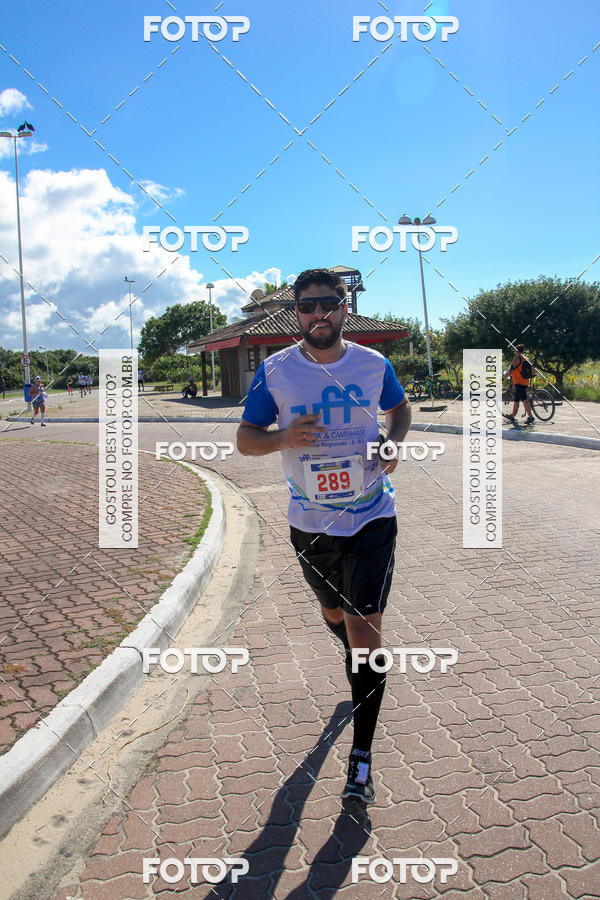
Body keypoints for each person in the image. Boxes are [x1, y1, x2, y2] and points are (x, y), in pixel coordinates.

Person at [237, 268, 411, 804]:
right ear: (297, 313)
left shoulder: (372, 363)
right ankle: (353, 651)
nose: (320, 314)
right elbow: (246, 441)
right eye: (309, 306)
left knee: (363, 633)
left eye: (330, 304)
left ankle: (360, 757)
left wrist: (392, 442)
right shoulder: (275, 372)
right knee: (334, 616)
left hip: (371, 516)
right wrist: (283, 437)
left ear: (344, 307)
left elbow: (399, 410)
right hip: (310, 525)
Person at [504, 343, 535, 425]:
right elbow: (532, 369)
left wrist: (503, 378)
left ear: (516, 350)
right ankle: (512, 416)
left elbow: (510, 371)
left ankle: (530, 417)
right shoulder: (526, 358)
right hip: (525, 381)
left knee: (524, 399)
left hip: (518, 382)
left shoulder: (516, 359)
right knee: (516, 399)